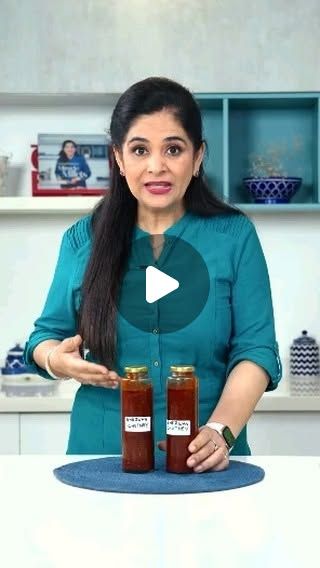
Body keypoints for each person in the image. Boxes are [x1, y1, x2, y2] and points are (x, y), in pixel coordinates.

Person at [25, 77, 282, 472]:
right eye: (140, 149)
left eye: (173, 149)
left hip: (206, 460)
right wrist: (57, 361)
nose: (156, 166)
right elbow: (44, 338)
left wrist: (221, 431)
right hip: (101, 456)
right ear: (119, 159)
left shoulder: (234, 237)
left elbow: (256, 350)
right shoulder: (81, 241)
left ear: (197, 158)